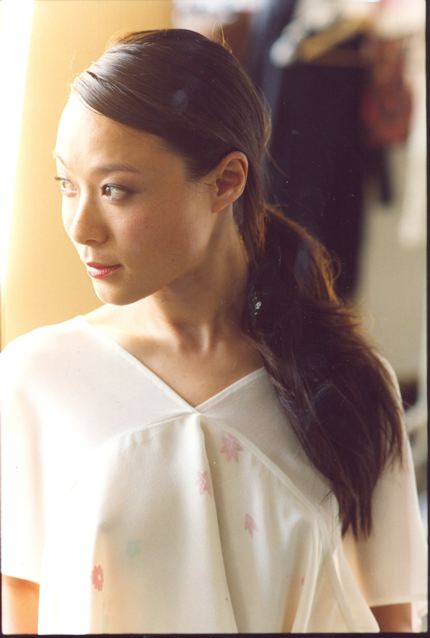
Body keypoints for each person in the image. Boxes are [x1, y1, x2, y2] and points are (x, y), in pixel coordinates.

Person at [1, 29, 426, 634]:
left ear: (227, 181)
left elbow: (390, 617)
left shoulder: (352, 381)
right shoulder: (37, 379)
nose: (81, 226)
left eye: (115, 189)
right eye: (67, 184)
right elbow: (20, 608)